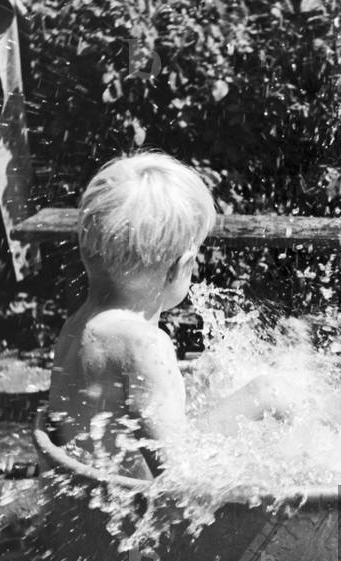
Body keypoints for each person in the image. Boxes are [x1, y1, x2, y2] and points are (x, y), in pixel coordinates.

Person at [47, 153, 295, 479]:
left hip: (92, 507)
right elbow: (180, 475)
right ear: (181, 266)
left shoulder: (77, 326)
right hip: (134, 518)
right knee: (270, 391)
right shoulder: (142, 344)